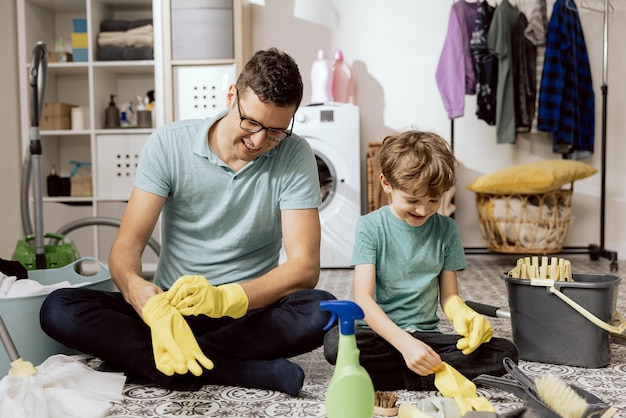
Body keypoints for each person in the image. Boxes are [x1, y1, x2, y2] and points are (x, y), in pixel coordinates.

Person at [40, 48, 336, 396]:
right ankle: (233, 369)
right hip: (170, 311)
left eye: (275, 131)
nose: (258, 141)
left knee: (322, 309)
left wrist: (225, 298)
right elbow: (127, 245)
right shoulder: (169, 143)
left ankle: (150, 361)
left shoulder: (294, 154)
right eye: (251, 123)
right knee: (59, 308)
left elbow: (304, 268)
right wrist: (146, 300)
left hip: (246, 311)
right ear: (231, 96)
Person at [323, 130, 518, 390]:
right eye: (412, 200)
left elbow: (449, 296)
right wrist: (405, 344)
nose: (423, 210)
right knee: (335, 343)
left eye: (434, 200)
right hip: (379, 334)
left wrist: (463, 314)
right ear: (386, 184)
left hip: (426, 337)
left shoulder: (447, 230)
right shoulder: (370, 226)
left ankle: (401, 375)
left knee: (504, 352)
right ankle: (425, 374)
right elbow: (363, 300)